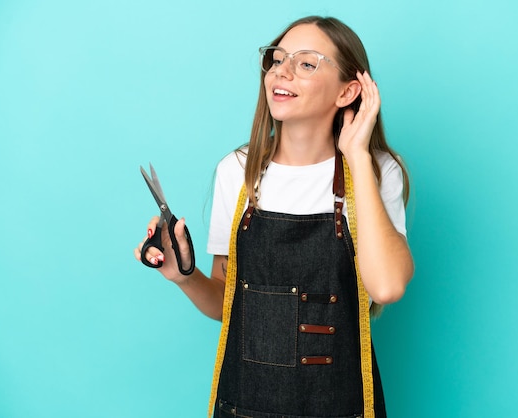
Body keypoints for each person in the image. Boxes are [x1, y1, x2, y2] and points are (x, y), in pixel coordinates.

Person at [135, 15, 414, 418]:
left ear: (348, 91)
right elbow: (225, 303)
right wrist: (184, 275)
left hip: (342, 407)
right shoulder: (237, 171)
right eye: (277, 58)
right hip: (243, 407)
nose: (281, 71)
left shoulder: (376, 171)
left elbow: (386, 287)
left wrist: (356, 154)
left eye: (305, 63)